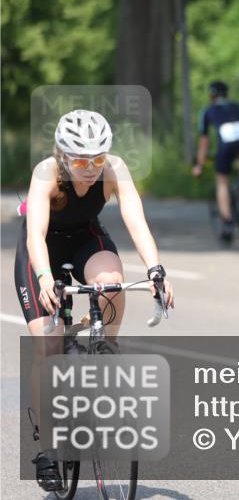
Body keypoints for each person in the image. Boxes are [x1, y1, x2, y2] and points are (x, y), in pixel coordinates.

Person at [14, 109, 175, 491]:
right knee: (49, 344)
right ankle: (49, 448)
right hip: (42, 250)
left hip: (87, 238)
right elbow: (35, 233)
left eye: (98, 158)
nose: (91, 168)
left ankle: (104, 346)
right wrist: (43, 278)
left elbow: (135, 220)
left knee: (111, 283)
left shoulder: (113, 169)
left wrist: (155, 270)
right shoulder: (46, 174)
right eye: (82, 160)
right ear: (63, 156)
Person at [192, 81, 239, 242]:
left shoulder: (207, 111)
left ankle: (227, 222)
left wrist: (199, 165)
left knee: (222, 182)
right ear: (226, 94)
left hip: (226, 146)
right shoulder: (237, 106)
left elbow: (204, 142)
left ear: (211, 95)